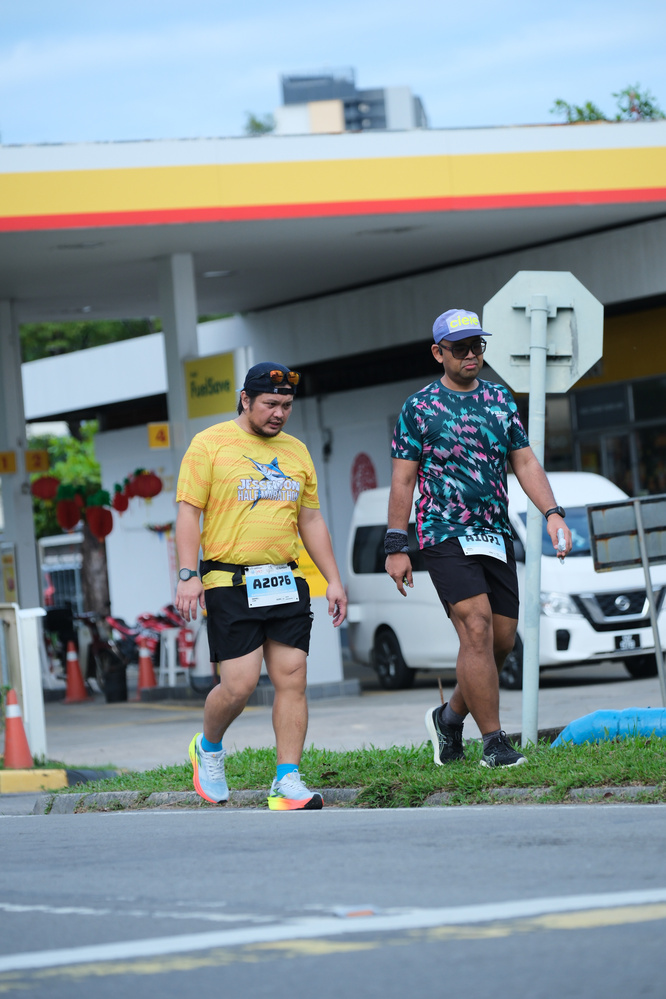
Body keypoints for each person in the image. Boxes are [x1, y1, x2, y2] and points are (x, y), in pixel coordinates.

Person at [385, 308, 572, 768]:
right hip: (443, 531)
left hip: (494, 532)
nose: (471, 354)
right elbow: (403, 480)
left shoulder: (499, 399)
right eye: (460, 348)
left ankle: (449, 719)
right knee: (476, 626)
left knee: (501, 641)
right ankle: (494, 743)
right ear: (438, 353)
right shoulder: (419, 407)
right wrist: (396, 544)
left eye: (477, 346)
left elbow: (524, 462)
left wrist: (552, 513)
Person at [175, 362, 347, 810]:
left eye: (286, 405)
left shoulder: (296, 451)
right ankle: (208, 747)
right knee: (239, 685)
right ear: (245, 399)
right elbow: (188, 513)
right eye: (270, 404)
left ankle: (286, 780)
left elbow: (311, 519)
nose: (279, 413)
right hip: (228, 579)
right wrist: (188, 575)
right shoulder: (209, 444)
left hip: (284, 579)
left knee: (293, 678)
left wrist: (333, 579)